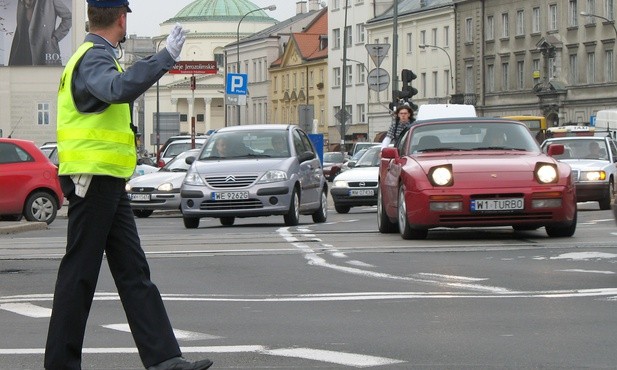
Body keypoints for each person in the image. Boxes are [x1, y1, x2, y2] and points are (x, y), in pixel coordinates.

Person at [44, 1, 213, 369]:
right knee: (80, 276)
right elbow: (117, 89)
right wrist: (164, 57)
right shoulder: (94, 58)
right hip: (93, 179)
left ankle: (165, 359)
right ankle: (60, 364)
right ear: (121, 19)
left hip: (107, 181)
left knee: (133, 272)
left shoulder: (93, 56)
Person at [9, 0, 72, 65]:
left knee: (47, 74)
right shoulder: (21, 2)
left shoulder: (49, 1)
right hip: (24, 50)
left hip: (44, 48)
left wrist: (56, 37)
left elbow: (69, 17)